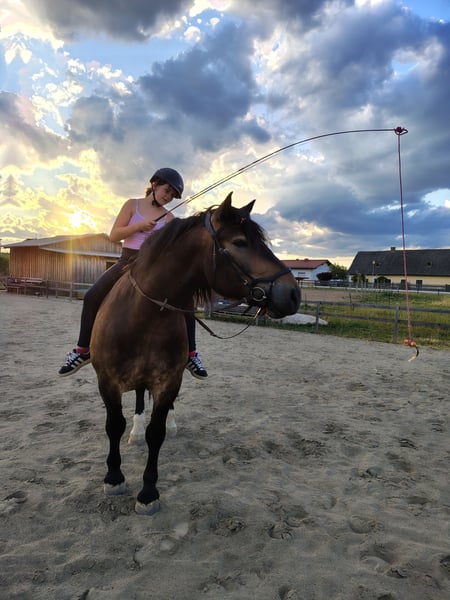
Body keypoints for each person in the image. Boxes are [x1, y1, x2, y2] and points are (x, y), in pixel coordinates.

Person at [58, 167, 208, 379]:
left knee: (187, 303)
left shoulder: (170, 218)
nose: (168, 197)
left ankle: (191, 355)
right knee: (92, 296)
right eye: (167, 191)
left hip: (155, 268)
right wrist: (139, 226)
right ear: (155, 184)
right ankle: (82, 350)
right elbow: (114, 235)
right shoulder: (132, 205)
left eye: (173, 195)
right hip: (127, 261)